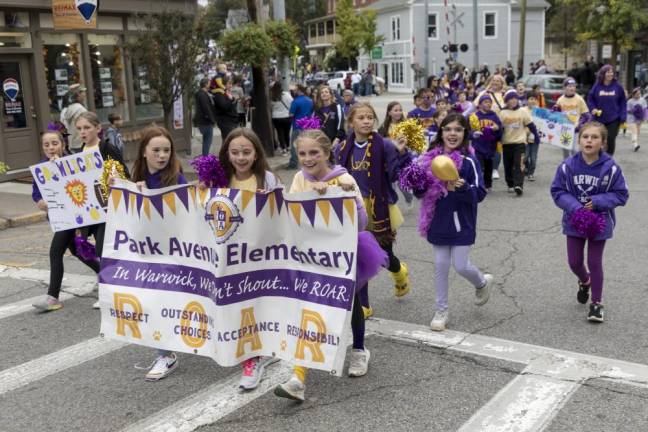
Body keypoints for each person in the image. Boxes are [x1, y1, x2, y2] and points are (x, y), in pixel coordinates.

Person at [274, 129, 375, 401]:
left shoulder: (343, 178)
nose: (308, 159)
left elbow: (362, 221)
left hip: (340, 255)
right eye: (303, 153)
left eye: (314, 153)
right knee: (307, 307)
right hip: (308, 255)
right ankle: (299, 377)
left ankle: (359, 350)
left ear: (327, 154)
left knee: (350, 304)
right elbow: (290, 214)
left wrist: (333, 193)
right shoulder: (298, 178)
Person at [408, 113, 492, 331]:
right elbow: (421, 190)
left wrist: (462, 188)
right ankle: (441, 310)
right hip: (438, 219)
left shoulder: (469, 161)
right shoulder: (428, 158)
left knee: (461, 266)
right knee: (440, 265)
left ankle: (482, 282)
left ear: (465, 134)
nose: (452, 133)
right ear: (441, 132)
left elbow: (480, 193)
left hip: (462, 221)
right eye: (448, 129)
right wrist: (415, 183)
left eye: (457, 129)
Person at [216, 128, 282, 389]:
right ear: (227, 153)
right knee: (237, 306)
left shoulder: (267, 179)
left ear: (256, 154)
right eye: (235, 152)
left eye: (246, 152)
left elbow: (286, 216)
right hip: (229, 257)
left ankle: (253, 358)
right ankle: (255, 350)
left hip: (260, 256)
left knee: (256, 305)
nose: (241, 157)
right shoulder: (219, 178)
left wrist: (273, 202)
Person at [550, 121, 629, 322]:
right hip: (574, 220)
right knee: (574, 262)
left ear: (603, 143)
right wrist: (575, 207)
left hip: (599, 222)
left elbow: (621, 194)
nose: (589, 140)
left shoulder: (611, 168)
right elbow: (557, 191)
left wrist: (597, 202)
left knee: (595, 262)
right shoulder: (568, 166)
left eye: (595, 137)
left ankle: (596, 303)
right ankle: (585, 281)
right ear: (579, 140)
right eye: (585, 137)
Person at [335, 103, 412, 307]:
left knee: (383, 255)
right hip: (352, 206)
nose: (367, 121)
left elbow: (394, 175)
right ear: (351, 122)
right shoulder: (342, 148)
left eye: (370, 117)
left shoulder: (384, 145)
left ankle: (399, 271)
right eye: (361, 117)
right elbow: (332, 174)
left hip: (379, 206)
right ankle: (363, 305)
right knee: (359, 256)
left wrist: (402, 154)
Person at [128, 126, 186, 380]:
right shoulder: (136, 180)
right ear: (144, 152)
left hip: (175, 254)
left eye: (166, 150)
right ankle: (166, 354)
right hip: (148, 255)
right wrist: (129, 193)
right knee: (153, 304)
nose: (162, 155)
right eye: (156, 150)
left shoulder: (177, 178)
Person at [31, 131, 101, 312]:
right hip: (58, 218)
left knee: (55, 252)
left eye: (54, 143)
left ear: (62, 144)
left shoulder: (73, 162)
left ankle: (52, 297)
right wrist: (39, 201)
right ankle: (103, 273)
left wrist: (60, 168)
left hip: (75, 218)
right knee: (77, 250)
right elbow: (36, 192)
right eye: (46, 145)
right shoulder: (40, 168)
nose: (50, 147)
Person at [498, 90, 539, 196]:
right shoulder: (502, 113)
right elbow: (498, 128)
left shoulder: (522, 112)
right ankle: (510, 184)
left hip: (520, 142)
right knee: (508, 165)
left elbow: (531, 125)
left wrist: (536, 137)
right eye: (511, 99)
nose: (513, 100)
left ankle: (519, 185)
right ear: (506, 101)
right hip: (507, 143)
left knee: (519, 164)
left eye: (515, 98)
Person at [586, 65, 627, 156]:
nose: (610, 74)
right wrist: (593, 108)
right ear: (603, 73)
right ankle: (599, 156)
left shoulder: (617, 86)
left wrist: (623, 116)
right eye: (608, 72)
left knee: (610, 139)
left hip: (614, 118)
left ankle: (609, 159)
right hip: (599, 119)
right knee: (599, 138)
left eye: (612, 72)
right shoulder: (597, 86)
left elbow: (623, 102)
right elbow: (590, 99)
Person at [474, 74, 506, 181]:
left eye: (498, 81)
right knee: (483, 145)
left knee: (497, 145)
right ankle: (483, 167)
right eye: (493, 80)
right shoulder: (484, 93)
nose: (495, 82)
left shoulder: (504, 94)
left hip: (499, 124)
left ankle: (494, 169)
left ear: (502, 83)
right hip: (483, 123)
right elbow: (474, 106)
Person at [469, 95, 502, 191]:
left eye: (489, 102)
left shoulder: (494, 116)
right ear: (479, 104)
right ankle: (478, 183)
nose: (488, 104)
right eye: (485, 102)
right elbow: (468, 132)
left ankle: (488, 184)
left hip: (490, 146)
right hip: (478, 146)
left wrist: (497, 129)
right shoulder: (474, 116)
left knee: (489, 167)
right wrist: (473, 134)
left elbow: (500, 130)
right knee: (478, 166)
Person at [556, 77, 590, 159]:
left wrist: (581, 124)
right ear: (564, 88)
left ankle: (577, 165)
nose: (572, 88)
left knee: (575, 149)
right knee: (565, 150)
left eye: (573, 86)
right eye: (569, 86)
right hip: (564, 129)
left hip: (576, 129)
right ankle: (567, 166)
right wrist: (554, 111)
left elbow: (586, 115)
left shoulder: (579, 99)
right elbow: (556, 114)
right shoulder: (560, 100)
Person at [287, 84, 314, 169]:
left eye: (295, 90)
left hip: (297, 126)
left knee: (294, 145)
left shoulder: (296, 101)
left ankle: (293, 163)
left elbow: (291, 114)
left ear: (299, 90)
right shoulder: (310, 100)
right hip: (308, 125)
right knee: (307, 144)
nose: (294, 91)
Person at [60, 84, 88, 153]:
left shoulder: (70, 108)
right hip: (81, 142)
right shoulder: (81, 110)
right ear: (78, 95)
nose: (85, 94)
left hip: (73, 142)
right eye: (83, 92)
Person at [193, 78, 217, 156]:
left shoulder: (201, 93)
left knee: (206, 139)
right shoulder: (203, 95)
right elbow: (206, 108)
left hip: (202, 121)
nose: (210, 84)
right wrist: (212, 120)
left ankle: (205, 155)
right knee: (208, 140)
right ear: (206, 84)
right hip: (205, 121)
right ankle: (205, 156)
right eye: (209, 83)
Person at [212, 75, 239, 144]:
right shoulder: (218, 94)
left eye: (231, 83)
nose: (231, 85)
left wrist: (233, 99)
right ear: (223, 84)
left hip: (232, 121)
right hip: (226, 123)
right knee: (228, 143)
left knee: (231, 142)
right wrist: (230, 99)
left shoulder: (227, 93)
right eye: (229, 83)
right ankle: (224, 155)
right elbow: (224, 107)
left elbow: (231, 106)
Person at [270, 81, 293, 155]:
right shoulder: (286, 94)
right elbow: (291, 103)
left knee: (280, 133)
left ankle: (283, 149)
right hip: (287, 116)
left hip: (276, 117)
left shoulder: (272, 96)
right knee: (287, 132)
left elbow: (270, 107)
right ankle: (288, 147)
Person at [523, 94, 540, 181]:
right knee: (525, 157)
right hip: (524, 138)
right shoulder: (522, 110)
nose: (533, 101)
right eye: (531, 98)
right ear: (527, 100)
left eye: (535, 99)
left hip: (535, 139)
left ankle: (531, 173)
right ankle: (527, 168)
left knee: (533, 158)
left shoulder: (540, 112)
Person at [626, 87, 646, 152]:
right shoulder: (629, 101)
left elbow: (645, 109)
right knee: (634, 132)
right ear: (633, 94)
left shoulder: (642, 100)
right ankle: (635, 145)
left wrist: (644, 117)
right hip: (631, 119)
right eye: (637, 94)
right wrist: (634, 111)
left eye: (639, 93)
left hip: (639, 119)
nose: (638, 95)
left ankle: (635, 143)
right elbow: (627, 110)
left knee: (637, 132)